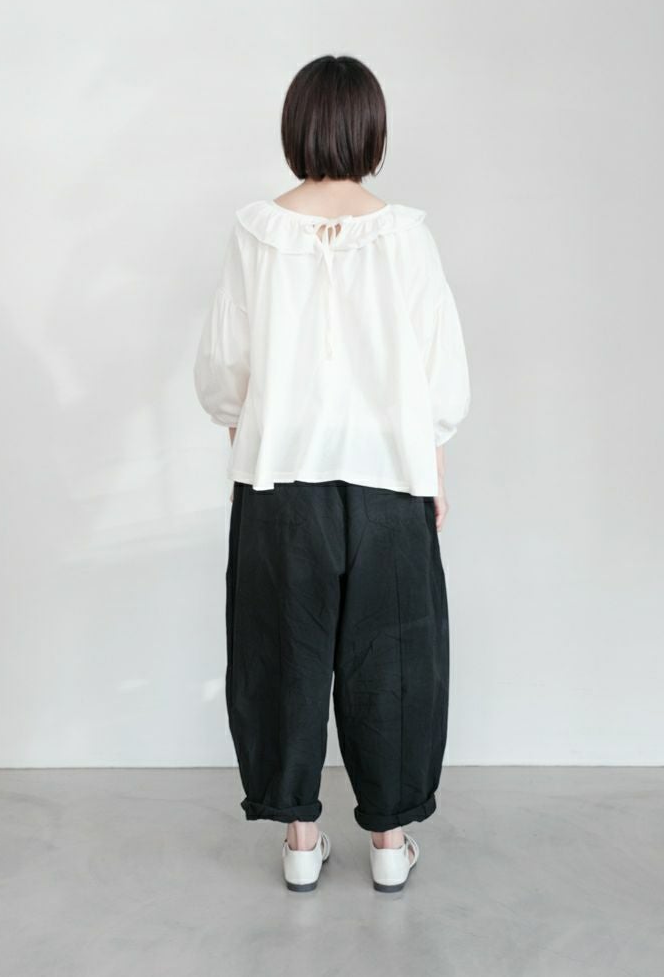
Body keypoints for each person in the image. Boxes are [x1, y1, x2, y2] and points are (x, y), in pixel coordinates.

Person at [193, 54, 471, 893]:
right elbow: (440, 372)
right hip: (389, 477)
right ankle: (388, 843)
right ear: (371, 129)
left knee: (283, 653)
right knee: (394, 657)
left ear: (297, 126)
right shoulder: (405, 235)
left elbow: (225, 367)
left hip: (281, 479)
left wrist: (248, 437)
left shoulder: (257, 232)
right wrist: (432, 468)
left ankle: (301, 839)